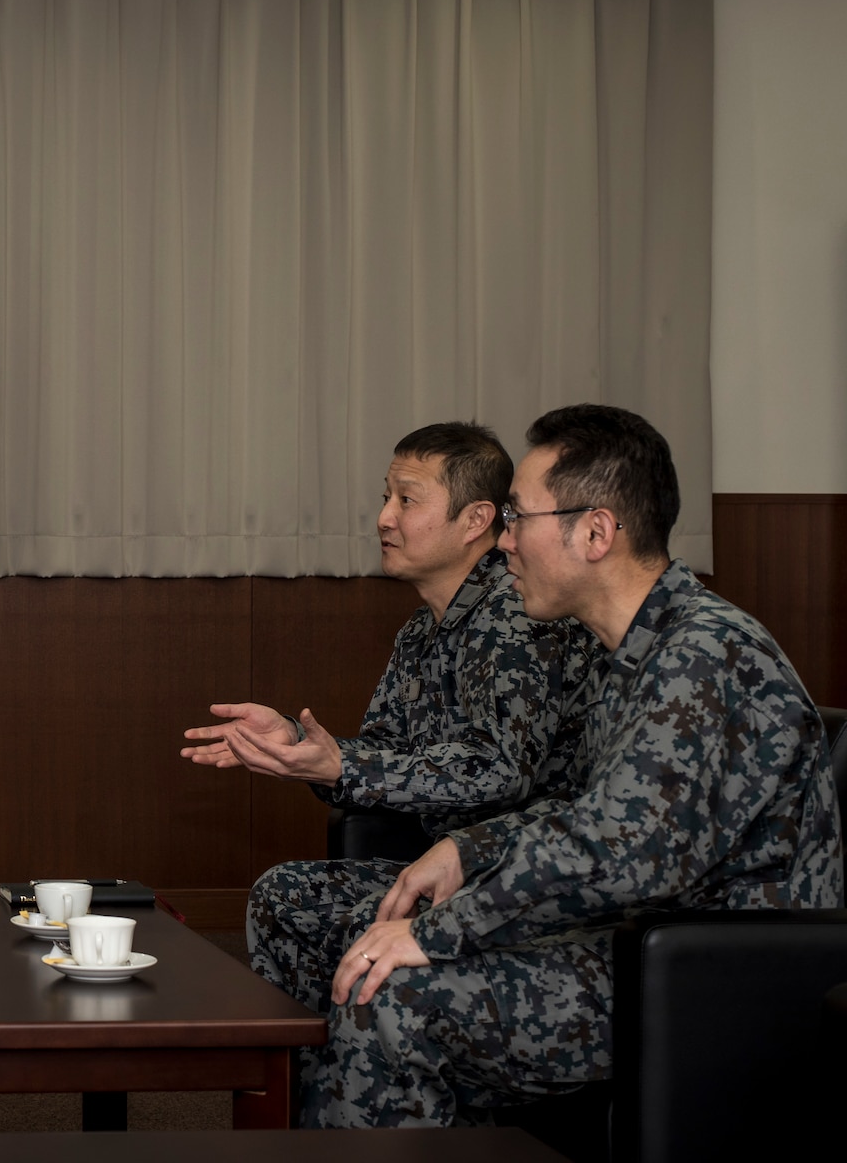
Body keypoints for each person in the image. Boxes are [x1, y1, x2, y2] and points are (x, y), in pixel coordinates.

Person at [274, 404, 842, 1125]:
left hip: (715, 973)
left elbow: (622, 853)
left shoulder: (702, 655)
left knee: (389, 992)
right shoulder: (633, 651)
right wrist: (467, 848)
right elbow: (590, 809)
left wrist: (436, 931)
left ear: (596, 533)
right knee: (376, 963)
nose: (503, 542)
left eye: (517, 519)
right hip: (645, 938)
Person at [182, 424, 601, 982]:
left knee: (358, 924)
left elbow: (501, 770)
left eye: (407, 499)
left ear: (476, 520)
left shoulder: (514, 616)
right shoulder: (419, 631)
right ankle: (307, 1069)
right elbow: (386, 755)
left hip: (517, 871)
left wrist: (345, 765)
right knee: (283, 897)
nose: (384, 517)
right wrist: (300, 744)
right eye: (386, 497)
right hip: (440, 865)